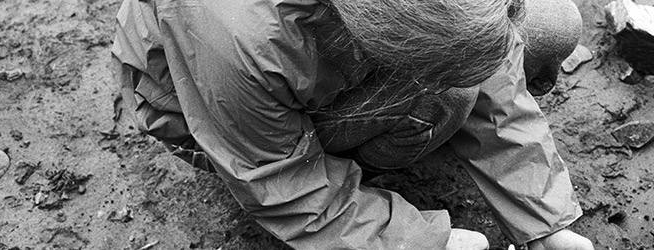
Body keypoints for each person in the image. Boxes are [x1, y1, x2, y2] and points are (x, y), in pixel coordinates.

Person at [111, 0, 593, 249]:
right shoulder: (247, 44)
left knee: (549, 26)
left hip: (331, 39)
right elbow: (282, 182)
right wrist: (416, 241)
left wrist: (545, 219)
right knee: (449, 99)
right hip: (201, 103)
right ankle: (352, 173)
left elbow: (489, 53)